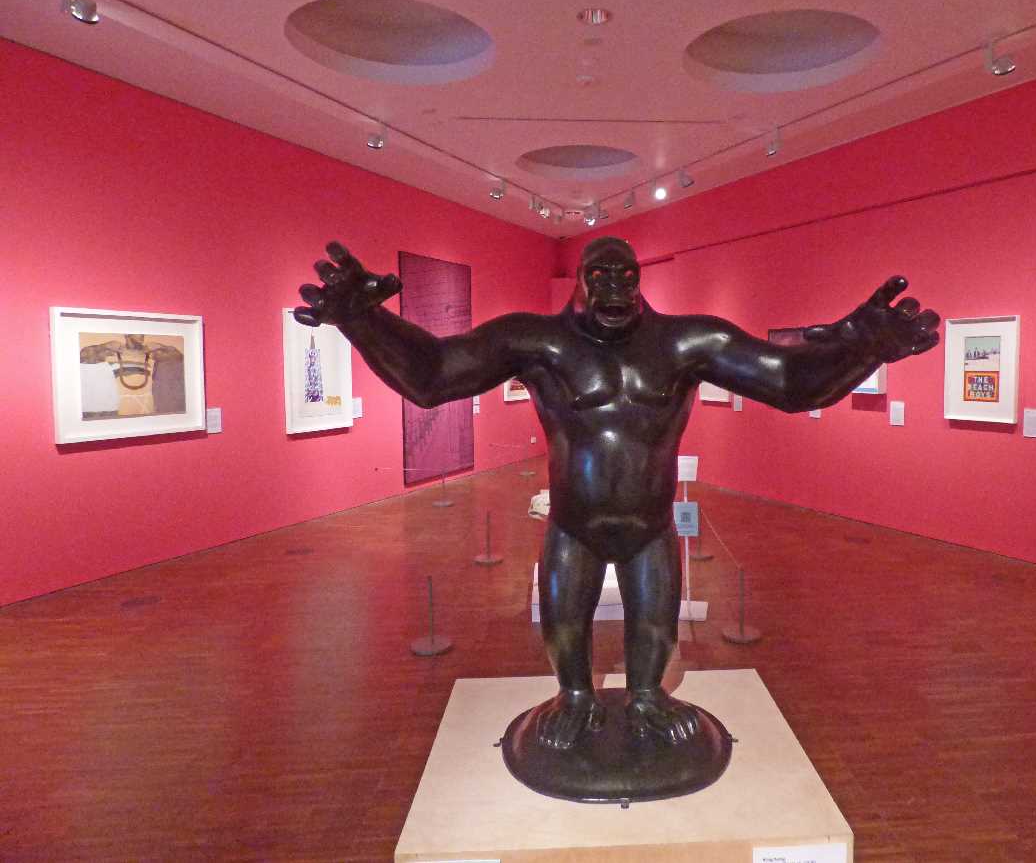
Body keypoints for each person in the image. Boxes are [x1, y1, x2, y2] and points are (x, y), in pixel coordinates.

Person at [295, 236, 939, 751]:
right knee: (566, 636)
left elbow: (791, 384)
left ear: (639, 281)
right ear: (578, 281)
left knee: (653, 640)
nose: (614, 288)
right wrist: (361, 319)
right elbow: (433, 375)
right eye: (599, 276)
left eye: (625, 276)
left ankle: (647, 697)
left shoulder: (688, 341)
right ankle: (573, 697)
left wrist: (864, 347)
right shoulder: (537, 341)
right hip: (572, 526)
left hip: (650, 526)